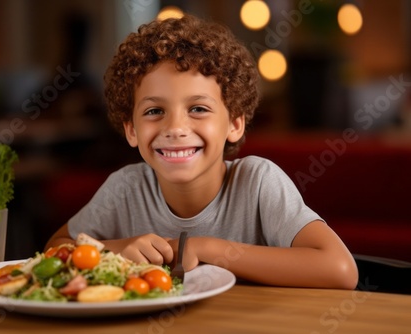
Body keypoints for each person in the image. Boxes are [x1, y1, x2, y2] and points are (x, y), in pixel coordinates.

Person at [46, 14, 358, 289]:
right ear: (131, 129)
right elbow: (54, 249)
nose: (175, 128)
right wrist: (115, 249)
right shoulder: (125, 188)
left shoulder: (258, 182)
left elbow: (340, 270)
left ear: (234, 124)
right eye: (154, 111)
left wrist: (207, 249)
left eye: (197, 108)